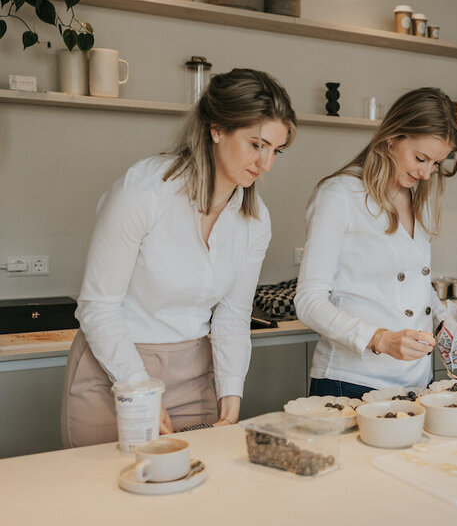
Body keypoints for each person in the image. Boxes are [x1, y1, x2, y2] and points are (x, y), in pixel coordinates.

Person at [61, 69, 296, 447]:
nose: (266, 163)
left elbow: (233, 317)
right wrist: (138, 389)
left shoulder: (254, 219)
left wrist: (230, 394)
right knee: (106, 499)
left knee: (190, 498)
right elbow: (97, 307)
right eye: (257, 145)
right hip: (115, 373)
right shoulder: (144, 192)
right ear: (217, 129)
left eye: (275, 150)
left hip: (193, 376)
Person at [295, 87, 457, 399]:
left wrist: (445, 324)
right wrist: (379, 339)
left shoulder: (417, 198)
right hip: (350, 381)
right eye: (420, 158)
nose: (427, 172)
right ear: (391, 136)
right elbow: (309, 303)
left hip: (417, 380)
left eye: (436, 163)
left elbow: (414, 284)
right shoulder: (340, 195)